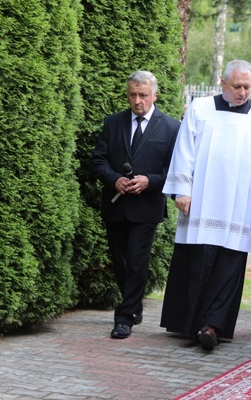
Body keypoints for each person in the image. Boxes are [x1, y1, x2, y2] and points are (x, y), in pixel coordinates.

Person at [161, 60, 251, 351]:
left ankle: (213, 326)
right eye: (237, 86)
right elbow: (184, 151)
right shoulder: (200, 109)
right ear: (223, 83)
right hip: (201, 201)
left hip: (238, 206)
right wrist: (182, 190)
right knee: (196, 262)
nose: (243, 92)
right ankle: (190, 323)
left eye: (247, 87)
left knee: (229, 266)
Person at [91, 71, 181, 339]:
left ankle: (124, 318)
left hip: (147, 207)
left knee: (137, 259)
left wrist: (149, 181)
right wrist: (114, 179)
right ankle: (134, 305)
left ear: (155, 94)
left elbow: (176, 170)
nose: (137, 100)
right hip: (116, 205)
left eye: (143, 95)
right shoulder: (113, 123)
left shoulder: (171, 127)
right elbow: (98, 161)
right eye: (132, 95)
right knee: (121, 262)